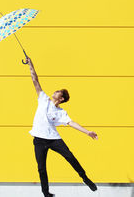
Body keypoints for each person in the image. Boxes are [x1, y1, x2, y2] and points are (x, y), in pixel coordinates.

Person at [26, 56, 98, 197]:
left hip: (53, 139)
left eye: (58, 91)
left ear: (61, 99)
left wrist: (87, 132)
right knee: (41, 168)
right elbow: (35, 80)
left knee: (70, 156)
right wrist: (30, 64)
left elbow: (71, 123)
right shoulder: (43, 99)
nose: (55, 91)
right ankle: (46, 193)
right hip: (39, 140)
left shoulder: (61, 112)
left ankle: (85, 178)